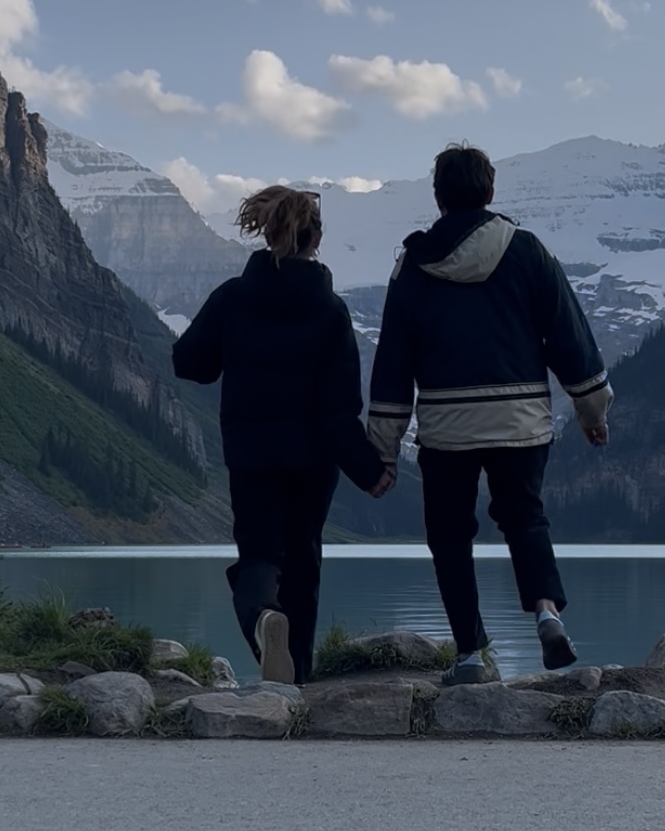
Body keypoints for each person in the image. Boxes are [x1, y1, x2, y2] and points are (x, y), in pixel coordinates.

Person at [367, 143, 611, 684]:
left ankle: (470, 654)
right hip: (520, 420)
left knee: (449, 536)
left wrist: (383, 449)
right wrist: (592, 411)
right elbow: (569, 337)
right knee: (524, 517)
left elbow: (393, 364)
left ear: (438, 197)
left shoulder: (413, 264)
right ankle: (546, 612)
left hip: (446, 429)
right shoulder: (527, 251)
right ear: (490, 191)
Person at [172, 184, 392, 685]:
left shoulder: (232, 297)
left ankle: (262, 619)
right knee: (302, 562)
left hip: (250, 454)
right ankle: (298, 682)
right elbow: (340, 410)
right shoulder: (330, 310)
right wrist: (369, 470)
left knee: (259, 554)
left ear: (267, 235)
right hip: (312, 461)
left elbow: (189, 362)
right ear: (317, 240)